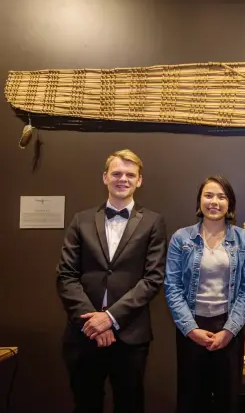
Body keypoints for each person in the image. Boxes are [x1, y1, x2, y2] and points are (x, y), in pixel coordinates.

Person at [56, 149, 167, 413]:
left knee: (130, 406)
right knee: (85, 405)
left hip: (130, 336)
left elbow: (152, 279)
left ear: (139, 181)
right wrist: (94, 320)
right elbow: (66, 275)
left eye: (130, 175)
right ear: (105, 177)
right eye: (117, 173)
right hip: (84, 333)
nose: (123, 179)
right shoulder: (81, 220)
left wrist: (110, 318)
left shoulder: (153, 222)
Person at [164, 175, 245, 413]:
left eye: (221, 196)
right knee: (192, 399)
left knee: (229, 400)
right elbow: (172, 286)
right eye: (208, 195)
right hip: (191, 327)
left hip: (229, 327)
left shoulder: (244, 239)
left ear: (230, 205)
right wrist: (190, 329)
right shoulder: (181, 238)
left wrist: (229, 330)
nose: (214, 201)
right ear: (199, 202)